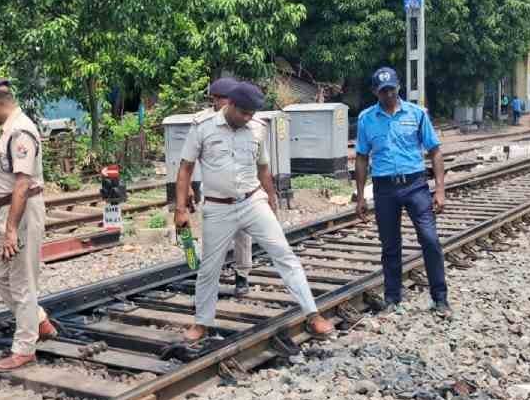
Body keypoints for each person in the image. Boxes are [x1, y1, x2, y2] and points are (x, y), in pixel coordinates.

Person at [174, 82, 334, 341]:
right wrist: (180, 210)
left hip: (252, 202)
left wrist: (271, 199)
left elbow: (263, 168)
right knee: (209, 268)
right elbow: (185, 168)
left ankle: (313, 314)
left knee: (284, 254)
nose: (248, 118)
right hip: (217, 208)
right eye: (244, 113)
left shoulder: (257, 128)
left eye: (252, 114)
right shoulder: (203, 128)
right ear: (231, 105)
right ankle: (201, 323)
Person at [0, 79, 57, 371]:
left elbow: (22, 184)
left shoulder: (20, 131)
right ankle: (37, 320)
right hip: (5, 211)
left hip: (20, 212)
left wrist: (11, 228)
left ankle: (25, 348)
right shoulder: (9, 130)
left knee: (22, 281)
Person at [353, 67, 450, 314]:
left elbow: (435, 151)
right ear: (375, 91)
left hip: (415, 185)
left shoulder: (417, 114)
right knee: (390, 246)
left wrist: (439, 189)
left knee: (430, 240)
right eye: (383, 91)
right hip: (384, 188)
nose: (388, 94)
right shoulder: (366, 119)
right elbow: (362, 157)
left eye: (392, 89)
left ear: (399, 88)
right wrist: (361, 195)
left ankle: (440, 299)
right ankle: (392, 298)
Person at [188, 77, 254, 295]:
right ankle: (210, 281)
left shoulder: (247, 120)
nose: (218, 103)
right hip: (214, 193)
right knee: (212, 240)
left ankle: (242, 277)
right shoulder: (202, 122)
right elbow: (189, 159)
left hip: (242, 190)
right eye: (215, 99)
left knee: (243, 236)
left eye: (222, 98)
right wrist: (189, 186)